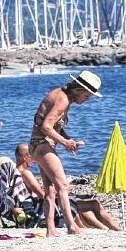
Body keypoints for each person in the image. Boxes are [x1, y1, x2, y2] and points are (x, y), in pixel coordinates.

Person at [28, 70, 103, 237]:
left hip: (36, 146)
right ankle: (71, 226)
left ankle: (51, 229)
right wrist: (65, 143)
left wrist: (69, 140)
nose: (87, 99)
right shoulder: (62, 99)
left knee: (50, 190)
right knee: (63, 185)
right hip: (42, 144)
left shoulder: (61, 95)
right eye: (87, 96)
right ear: (79, 90)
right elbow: (46, 127)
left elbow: (56, 127)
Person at [13, 144, 120, 231]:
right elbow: (42, 195)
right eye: (31, 155)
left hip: (36, 206)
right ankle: (114, 230)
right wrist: (61, 189)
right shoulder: (26, 173)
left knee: (80, 205)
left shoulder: (17, 171)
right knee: (94, 204)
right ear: (25, 157)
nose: (34, 157)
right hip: (41, 208)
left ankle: (102, 229)